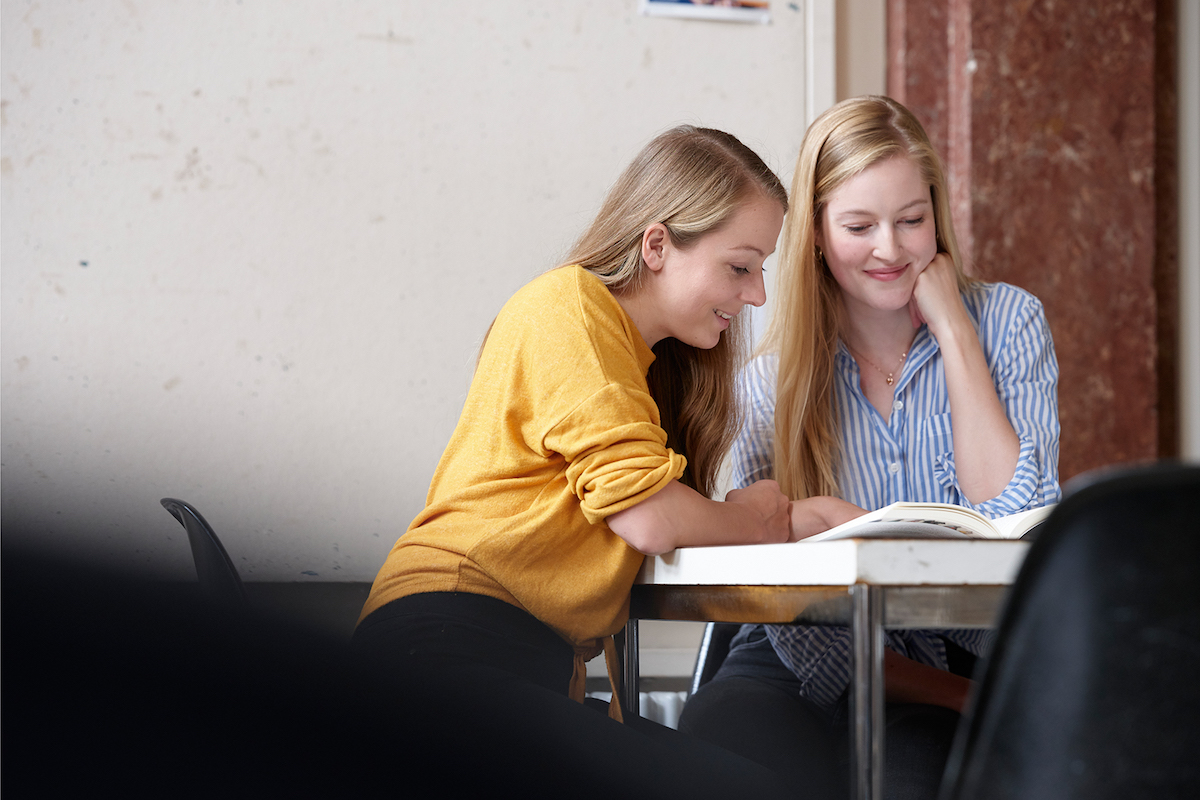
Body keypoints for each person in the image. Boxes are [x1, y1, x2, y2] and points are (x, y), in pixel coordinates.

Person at [350, 125, 858, 799]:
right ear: (656, 246)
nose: (758, 294)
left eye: (761, 267)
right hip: (440, 658)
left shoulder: (635, 364)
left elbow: (651, 543)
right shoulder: (571, 307)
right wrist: (763, 522)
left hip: (496, 662)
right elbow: (650, 521)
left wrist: (792, 524)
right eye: (740, 266)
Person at [678, 96, 1061, 800]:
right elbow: (790, 608)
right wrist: (947, 694)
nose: (890, 249)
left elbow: (1022, 522)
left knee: (912, 771)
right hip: (806, 656)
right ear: (818, 234)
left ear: (936, 217)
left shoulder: (1008, 323)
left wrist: (954, 334)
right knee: (720, 733)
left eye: (912, 221)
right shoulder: (770, 382)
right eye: (859, 226)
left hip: (960, 653)